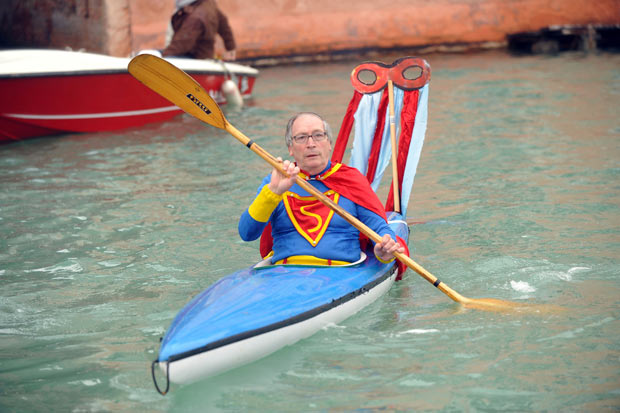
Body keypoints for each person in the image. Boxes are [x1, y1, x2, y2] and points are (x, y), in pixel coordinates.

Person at [238, 112, 406, 268]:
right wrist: (273, 193)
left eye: (318, 135)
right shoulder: (275, 182)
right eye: (301, 137)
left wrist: (385, 250)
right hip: (284, 272)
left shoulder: (351, 181)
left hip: (341, 272)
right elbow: (247, 233)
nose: (311, 144)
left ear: (329, 144)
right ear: (290, 148)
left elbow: (380, 229)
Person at [162, 0, 236, 60]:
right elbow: (223, 24)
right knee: (156, 53)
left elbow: (182, 43)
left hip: (196, 57)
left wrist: (163, 57)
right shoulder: (208, 3)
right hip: (205, 55)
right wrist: (231, 47)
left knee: (156, 54)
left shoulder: (196, 17)